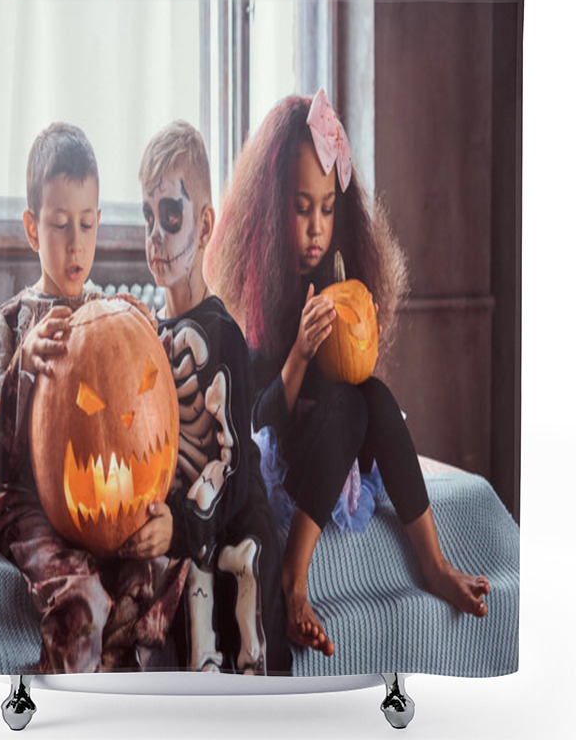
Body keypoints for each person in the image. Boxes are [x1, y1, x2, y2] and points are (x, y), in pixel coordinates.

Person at [206, 90, 490, 658]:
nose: (316, 227)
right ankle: (294, 578)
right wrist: (300, 357)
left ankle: (432, 562)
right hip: (286, 450)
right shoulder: (253, 296)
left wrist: (361, 328)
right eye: (301, 207)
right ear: (272, 209)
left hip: (338, 445)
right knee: (345, 406)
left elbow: (355, 378)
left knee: (373, 398)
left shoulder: (337, 269)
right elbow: (257, 422)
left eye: (327, 209)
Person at [0, 122, 188, 674]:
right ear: (32, 229)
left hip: (100, 506)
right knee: (80, 599)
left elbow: (145, 415)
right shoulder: (12, 325)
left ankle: (121, 702)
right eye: (59, 225)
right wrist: (24, 364)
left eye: (87, 224)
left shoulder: (116, 311)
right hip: (31, 506)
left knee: (147, 578)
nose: (76, 243)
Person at [139, 120, 291, 674]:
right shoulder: (151, 334)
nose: (156, 234)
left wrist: (181, 526)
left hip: (233, 519)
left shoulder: (222, 332)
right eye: (148, 217)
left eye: (170, 216)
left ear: (203, 225)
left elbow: (230, 461)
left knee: (246, 622)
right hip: (181, 518)